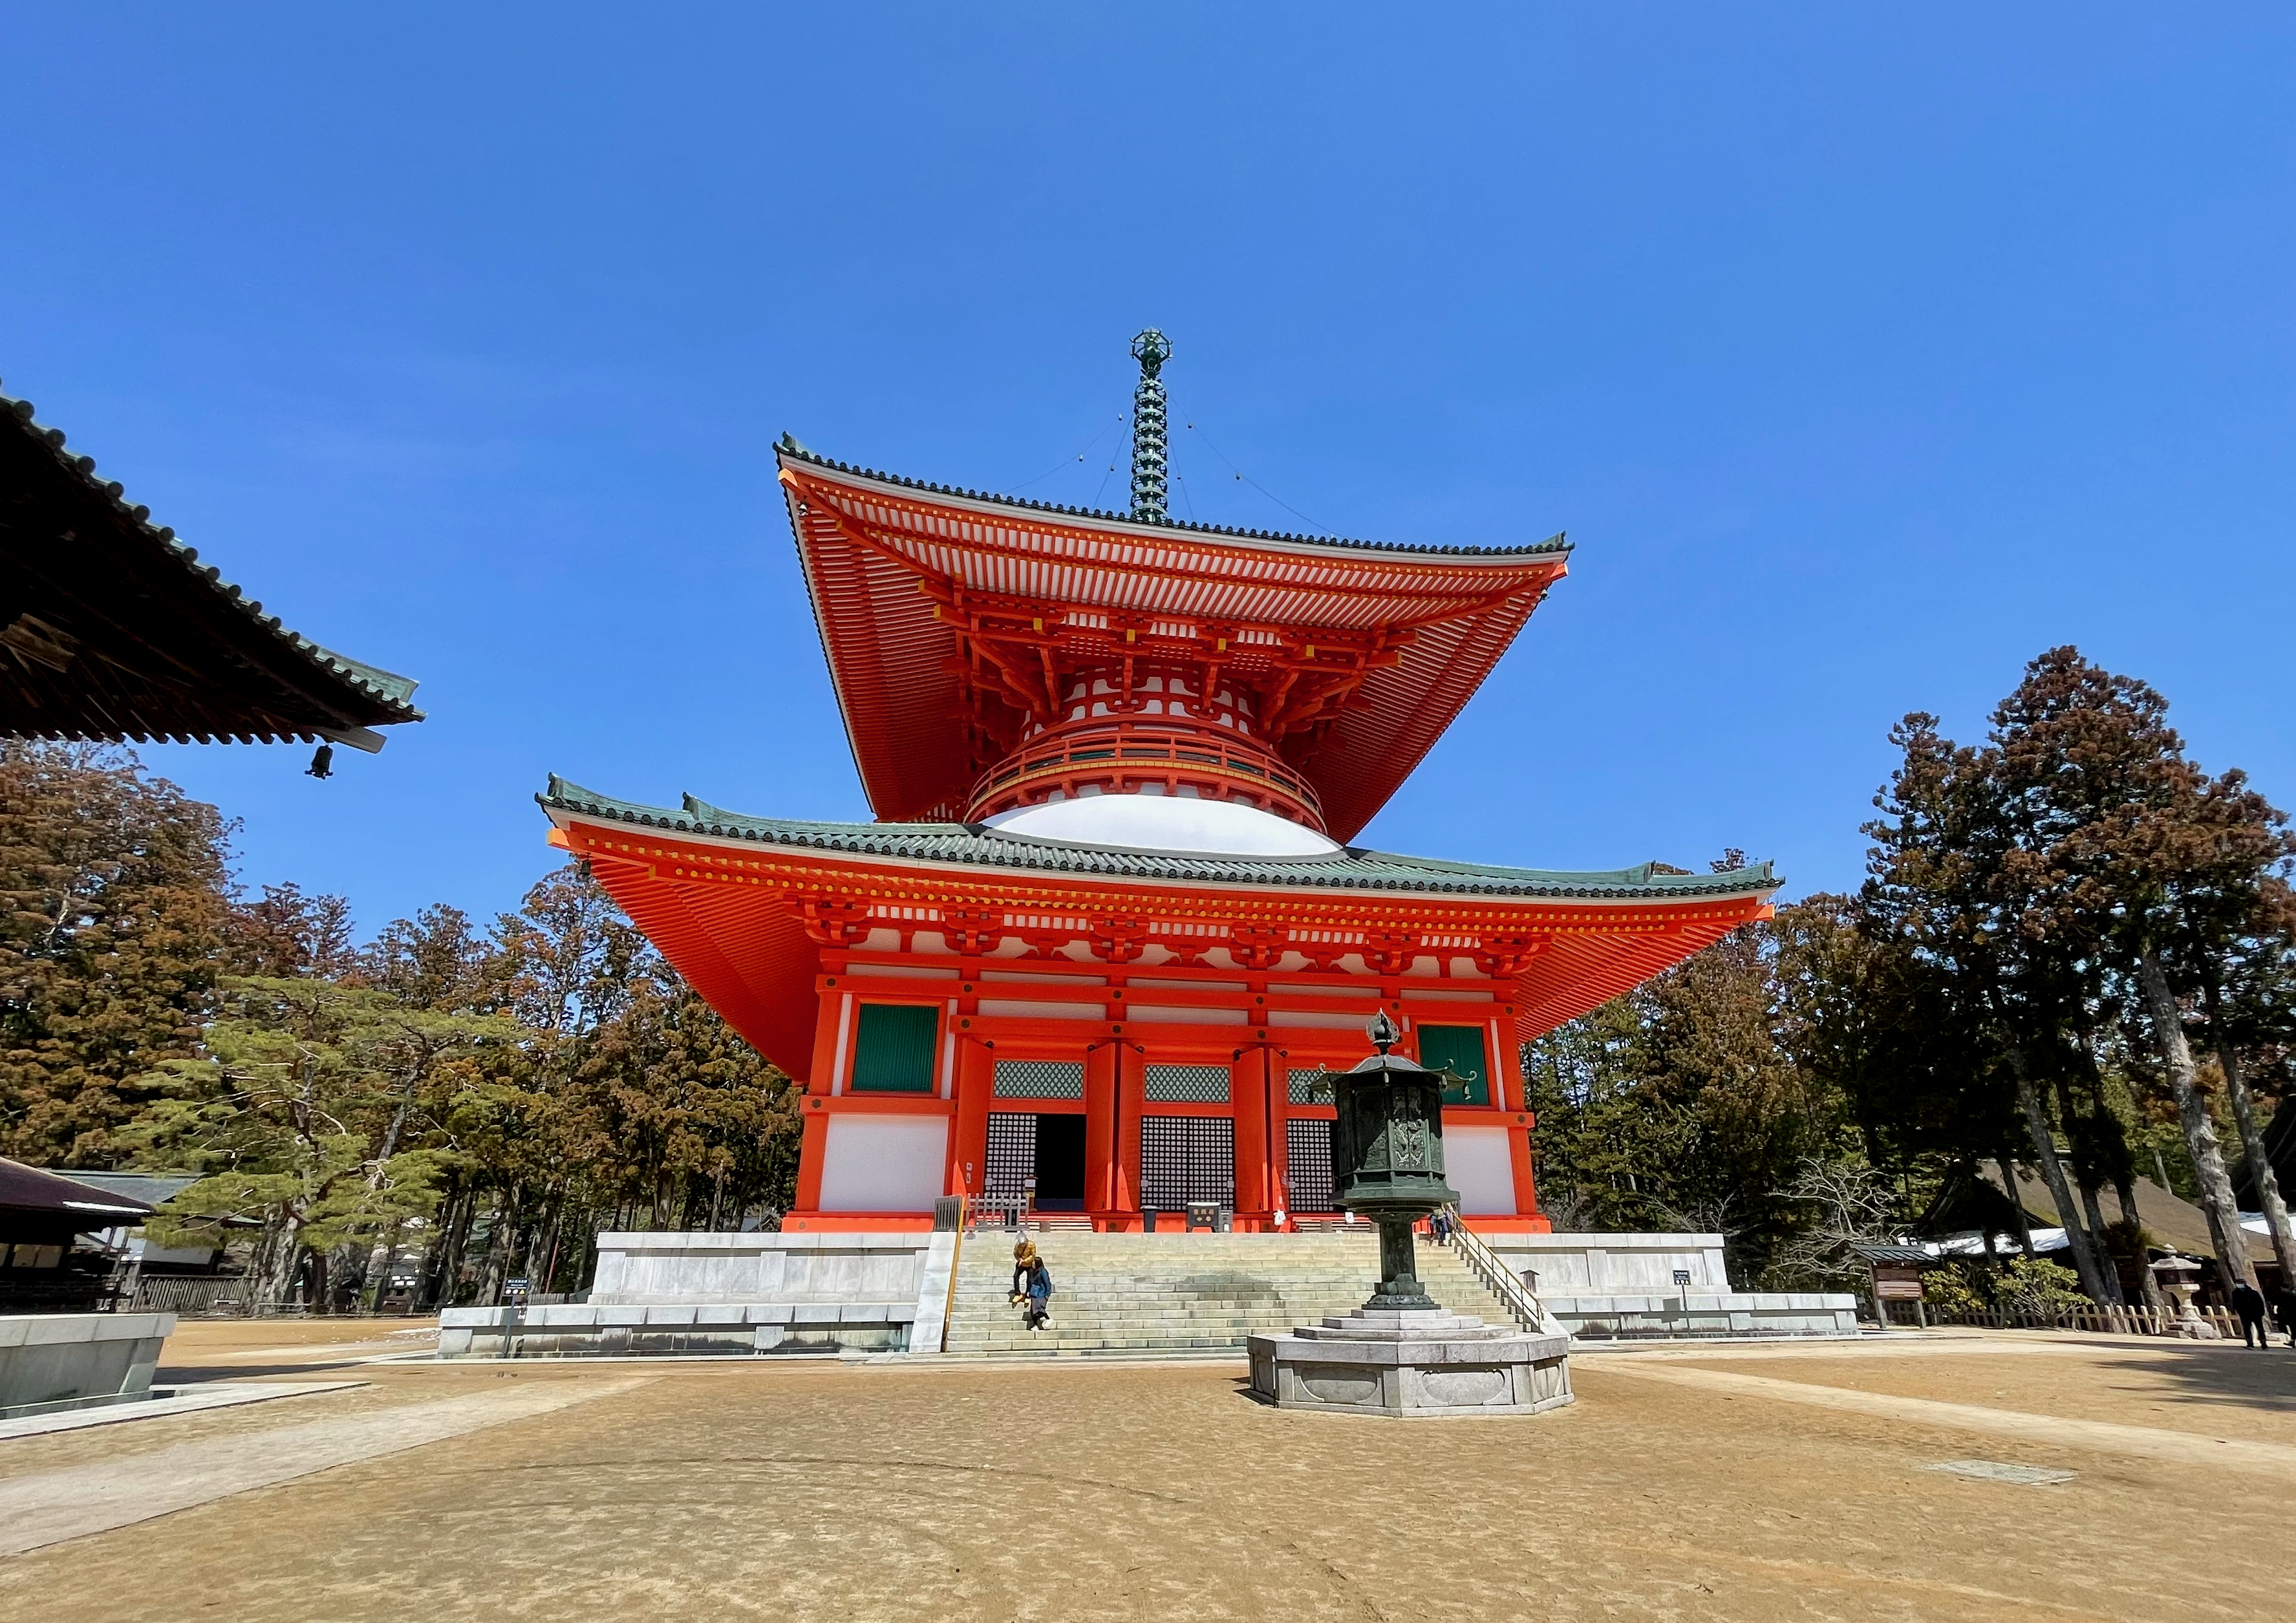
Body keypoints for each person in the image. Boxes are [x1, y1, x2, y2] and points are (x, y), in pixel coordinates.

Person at [2229, 1278, 2269, 1349]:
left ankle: (2263, 1343)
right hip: (2244, 1314)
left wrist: (2261, 1312)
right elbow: (2235, 1304)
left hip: (2256, 1313)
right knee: (2247, 1329)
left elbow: (2260, 1303)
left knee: (2260, 1328)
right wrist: (2239, 1311)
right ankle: (2250, 1343)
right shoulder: (2236, 1293)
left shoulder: (2253, 1292)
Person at [1022, 1249, 1054, 1332]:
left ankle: (1048, 1318)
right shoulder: (1033, 1271)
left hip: (1041, 1293)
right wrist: (1029, 1291)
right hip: (1034, 1293)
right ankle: (1036, 1325)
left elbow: (1047, 1283)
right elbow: (1031, 1282)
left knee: (1040, 1309)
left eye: (1033, 1263)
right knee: (1034, 1311)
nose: (1032, 1264)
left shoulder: (1043, 1272)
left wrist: (1047, 1294)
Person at [2275, 1282, 2296, 1349]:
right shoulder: (2290, 1294)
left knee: (2293, 1328)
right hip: (2290, 1315)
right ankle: (2292, 1341)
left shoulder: (2286, 1295)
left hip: (2291, 1315)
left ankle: (2293, 1341)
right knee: (2293, 1329)